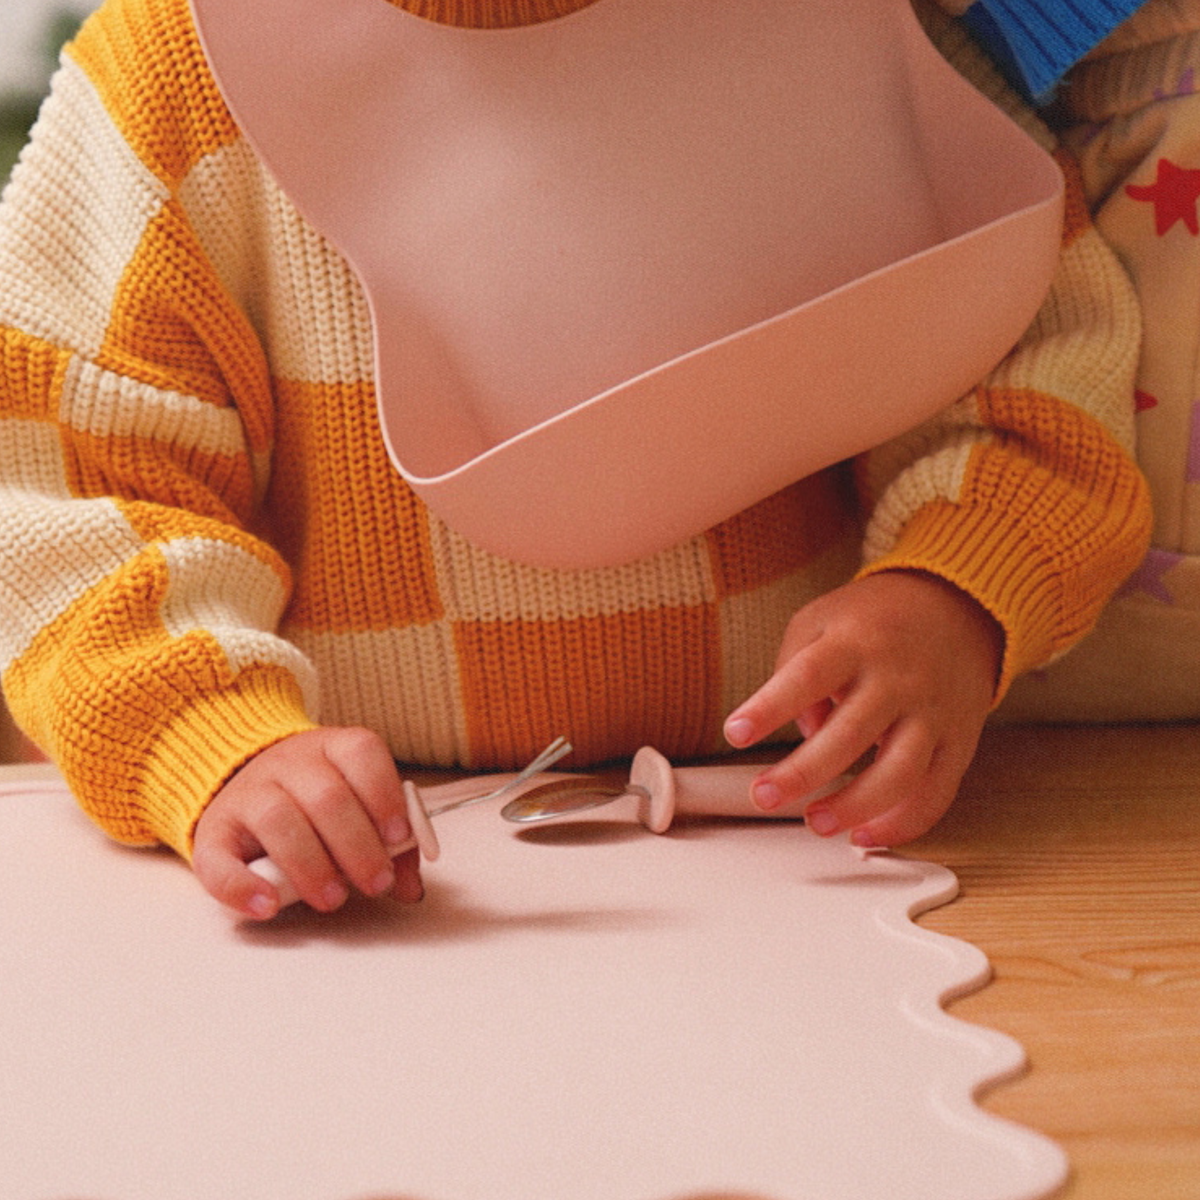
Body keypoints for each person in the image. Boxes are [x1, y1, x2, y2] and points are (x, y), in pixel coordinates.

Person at [0, 0, 1157, 921]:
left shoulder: (831, 20)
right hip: (379, 897)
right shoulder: (169, 79)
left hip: (808, 868)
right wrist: (217, 745)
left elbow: (1031, 355)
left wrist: (953, 593)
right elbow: (68, 494)